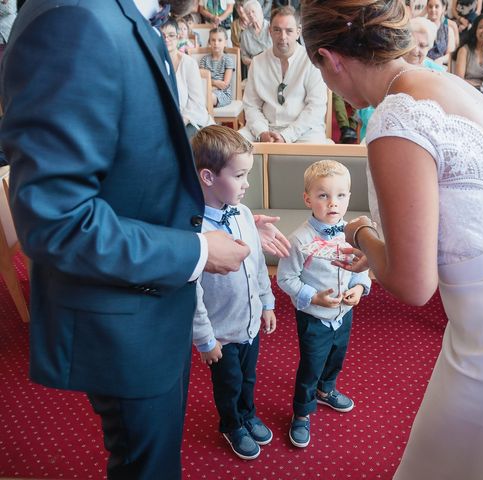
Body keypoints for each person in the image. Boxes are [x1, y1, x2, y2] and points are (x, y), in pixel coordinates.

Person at [300, 0, 483, 478]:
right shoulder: (443, 83)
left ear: (329, 59)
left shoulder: (395, 121)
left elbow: (415, 285)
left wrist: (360, 231)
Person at [0, 1, 290, 477]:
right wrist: (196, 251)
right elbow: (56, 219)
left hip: (154, 298)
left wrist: (229, 224)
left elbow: (138, 174)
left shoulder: (117, 18)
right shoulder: (71, 18)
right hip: (122, 316)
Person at [191, 125, 276, 461]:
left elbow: (256, 266)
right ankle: (231, 424)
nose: (247, 184)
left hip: (250, 323)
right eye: (240, 175)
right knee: (228, 384)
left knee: (249, 378)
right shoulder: (195, 230)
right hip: (221, 334)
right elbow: (192, 293)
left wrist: (267, 303)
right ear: (208, 177)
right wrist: (205, 340)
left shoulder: (241, 214)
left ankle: (248, 413)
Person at [277, 159, 371, 449]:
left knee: (336, 357)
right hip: (314, 316)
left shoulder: (354, 233)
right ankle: (302, 412)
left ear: (349, 198)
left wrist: (359, 287)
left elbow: (363, 264)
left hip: (344, 314)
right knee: (311, 364)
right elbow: (285, 278)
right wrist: (312, 296)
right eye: (323, 195)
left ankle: (326, 389)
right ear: (308, 199)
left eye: (340, 195)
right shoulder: (299, 240)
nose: (333, 203)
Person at [239, 5, 328, 143]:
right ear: (269, 31)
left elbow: (316, 107)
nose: (283, 37)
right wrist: (262, 132)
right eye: (277, 30)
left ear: (298, 32)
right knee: (233, 146)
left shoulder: (311, 61)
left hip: (304, 131)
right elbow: (251, 105)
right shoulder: (257, 62)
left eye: (289, 31)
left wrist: (287, 136)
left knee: (314, 154)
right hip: (265, 128)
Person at [161, 19, 214, 136]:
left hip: (191, 118)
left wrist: (182, 119)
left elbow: (196, 101)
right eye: (162, 35)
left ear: (178, 37)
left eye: (171, 35)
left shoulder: (189, 63)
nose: (166, 39)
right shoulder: (155, 62)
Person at [454, 14, 483, 90]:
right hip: (466, 91)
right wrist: (479, 86)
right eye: (481, 27)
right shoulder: (464, 50)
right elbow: (459, 81)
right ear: (475, 30)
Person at [199, 27, 235, 108]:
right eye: (213, 40)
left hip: (222, 94)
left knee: (207, 97)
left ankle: (205, 119)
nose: (216, 43)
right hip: (206, 90)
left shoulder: (228, 60)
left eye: (220, 40)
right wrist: (215, 83)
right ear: (209, 42)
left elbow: (224, 85)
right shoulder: (204, 60)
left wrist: (210, 84)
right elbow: (201, 81)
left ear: (225, 42)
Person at [239, 0, 272, 69]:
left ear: (260, 11)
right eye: (248, 13)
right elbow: (244, 57)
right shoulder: (245, 34)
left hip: (272, 65)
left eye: (253, 11)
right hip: (254, 67)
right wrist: (255, 62)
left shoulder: (271, 28)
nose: (250, 15)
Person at [425, 0, 457, 66]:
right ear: (427, 8)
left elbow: (450, 54)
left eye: (436, 6)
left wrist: (440, 60)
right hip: (423, 64)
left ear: (443, 8)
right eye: (430, 7)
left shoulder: (448, 30)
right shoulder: (421, 28)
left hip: (440, 66)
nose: (433, 9)